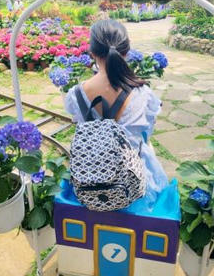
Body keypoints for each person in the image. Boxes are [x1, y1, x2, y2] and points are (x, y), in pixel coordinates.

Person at [62, 18, 168, 199]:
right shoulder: (142, 94)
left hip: (91, 183)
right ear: (126, 52)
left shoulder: (75, 94)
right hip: (134, 182)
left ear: (92, 52)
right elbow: (146, 134)